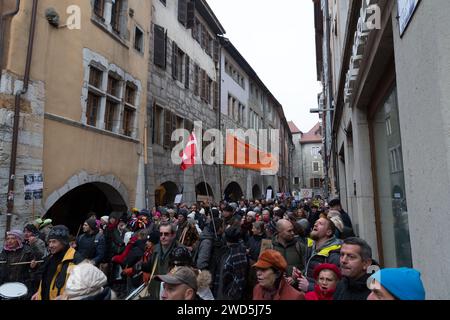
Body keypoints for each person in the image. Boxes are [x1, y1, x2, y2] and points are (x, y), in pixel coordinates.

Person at [31, 225, 84, 300]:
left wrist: (67, 296)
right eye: (49, 242)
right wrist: (39, 293)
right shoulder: (50, 258)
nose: (50, 245)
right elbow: (45, 280)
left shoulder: (76, 260)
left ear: (64, 242)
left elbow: (84, 288)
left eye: (54, 242)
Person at [298, 217, 342, 292]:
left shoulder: (334, 254)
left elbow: (336, 287)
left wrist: (309, 287)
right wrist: (300, 275)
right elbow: (310, 273)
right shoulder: (310, 247)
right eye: (315, 222)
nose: (315, 224)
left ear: (328, 232)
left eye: (320, 224)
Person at [141, 222, 182, 299]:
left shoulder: (180, 251)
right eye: (161, 234)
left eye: (166, 234)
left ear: (173, 235)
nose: (163, 237)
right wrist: (140, 266)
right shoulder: (156, 248)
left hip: (171, 293)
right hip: (155, 290)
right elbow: (150, 266)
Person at [213, 226, 248, 300]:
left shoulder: (238, 254)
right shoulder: (227, 250)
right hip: (221, 290)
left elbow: (239, 279)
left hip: (228, 296)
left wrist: (230, 295)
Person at [0, 230, 36, 298]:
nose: (9, 241)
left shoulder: (27, 251)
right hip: (6, 284)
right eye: (8, 238)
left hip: (23, 284)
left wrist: (33, 267)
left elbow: (37, 269)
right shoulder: (4, 252)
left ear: (18, 239)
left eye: (13, 238)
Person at [272, 219, 306, 284]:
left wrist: (296, 278)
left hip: (296, 288)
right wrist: (277, 276)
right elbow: (263, 268)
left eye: (293, 230)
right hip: (276, 288)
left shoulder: (300, 246)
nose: (293, 233)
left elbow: (307, 267)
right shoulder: (270, 246)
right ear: (279, 231)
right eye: (289, 231)